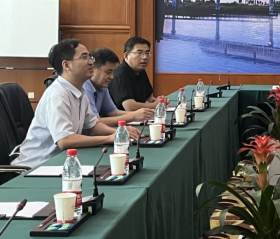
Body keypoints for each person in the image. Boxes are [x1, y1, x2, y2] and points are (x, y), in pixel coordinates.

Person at [12, 40, 139, 169]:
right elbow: (65, 140)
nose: (91, 62)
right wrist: (108, 138)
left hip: (63, 162)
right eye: (84, 57)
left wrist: (119, 133)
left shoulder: (79, 91)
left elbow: (93, 125)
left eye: (90, 57)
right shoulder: (58, 94)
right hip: (37, 166)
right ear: (66, 65)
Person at [83, 48, 154, 126]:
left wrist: (142, 114)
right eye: (108, 72)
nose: (112, 77)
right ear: (92, 69)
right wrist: (133, 116)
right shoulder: (84, 88)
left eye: (113, 72)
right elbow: (95, 122)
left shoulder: (102, 88)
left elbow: (113, 113)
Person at [108, 37, 170, 111]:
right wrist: (154, 105)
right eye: (139, 53)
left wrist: (160, 100)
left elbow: (149, 99)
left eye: (147, 53)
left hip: (139, 116)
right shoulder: (119, 75)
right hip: (121, 117)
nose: (145, 57)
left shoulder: (141, 71)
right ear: (126, 56)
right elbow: (129, 107)